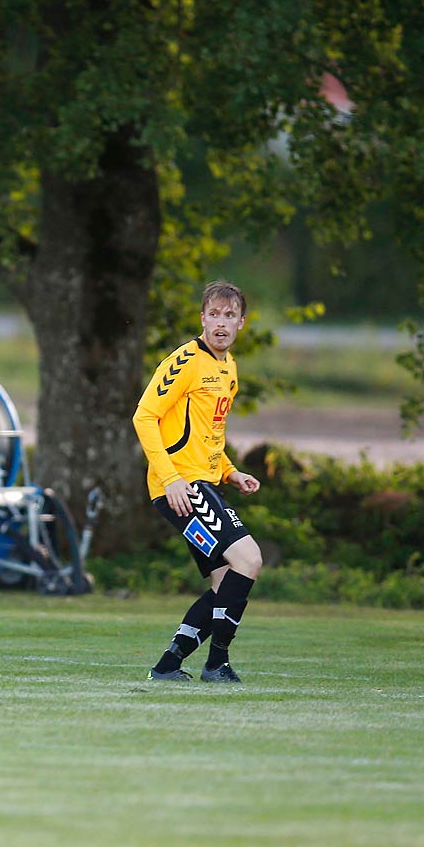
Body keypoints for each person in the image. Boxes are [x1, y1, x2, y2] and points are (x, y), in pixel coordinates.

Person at [135, 280, 264, 683]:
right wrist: (171, 479)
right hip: (182, 487)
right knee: (249, 559)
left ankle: (169, 664)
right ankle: (216, 663)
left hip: (203, 481)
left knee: (226, 580)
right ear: (202, 318)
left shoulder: (228, 368)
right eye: (214, 314)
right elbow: (144, 417)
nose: (221, 323)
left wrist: (229, 470)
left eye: (229, 316)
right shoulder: (186, 360)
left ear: (241, 323)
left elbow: (207, 433)